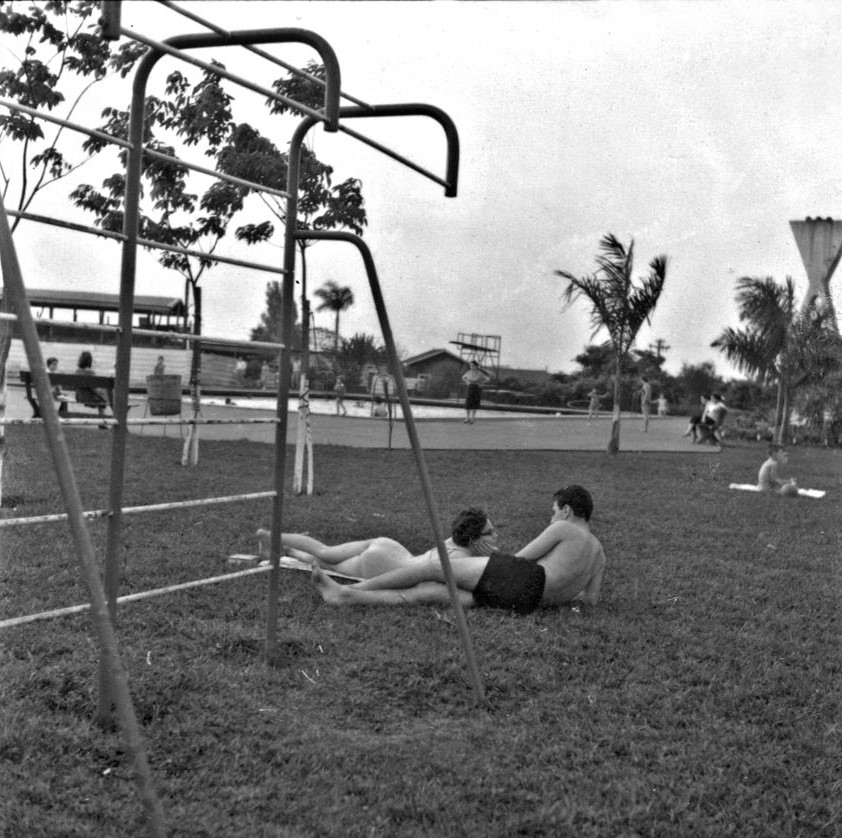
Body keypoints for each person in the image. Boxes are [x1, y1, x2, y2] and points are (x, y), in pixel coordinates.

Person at [312, 485, 606, 614]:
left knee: (433, 570)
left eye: (553, 512)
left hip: (521, 578)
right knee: (427, 593)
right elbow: (589, 600)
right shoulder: (599, 554)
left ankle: (356, 587)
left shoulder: (564, 528)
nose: (551, 518)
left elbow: (522, 559)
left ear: (567, 511)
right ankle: (347, 597)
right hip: (528, 603)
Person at [259, 507, 499, 579]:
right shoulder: (465, 560)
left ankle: (274, 538)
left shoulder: (452, 541)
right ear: (474, 540)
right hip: (385, 567)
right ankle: (283, 546)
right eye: (490, 533)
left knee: (326, 552)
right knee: (328, 566)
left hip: (389, 547)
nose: (495, 536)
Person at [74, 350, 108, 416]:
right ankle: (103, 421)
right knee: (103, 399)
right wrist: (104, 396)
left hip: (79, 397)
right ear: (90, 361)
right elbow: (94, 389)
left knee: (102, 397)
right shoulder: (91, 373)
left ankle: (103, 421)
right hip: (89, 399)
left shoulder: (77, 371)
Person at [462, 360, 490, 424]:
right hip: (470, 388)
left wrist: (482, 383)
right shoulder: (469, 372)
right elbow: (463, 377)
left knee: (475, 403)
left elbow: (488, 379)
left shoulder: (480, 373)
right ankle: (467, 418)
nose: (471, 367)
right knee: (468, 403)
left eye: (473, 366)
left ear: (476, 366)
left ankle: (473, 418)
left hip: (477, 388)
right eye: (470, 366)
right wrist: (467, 382)